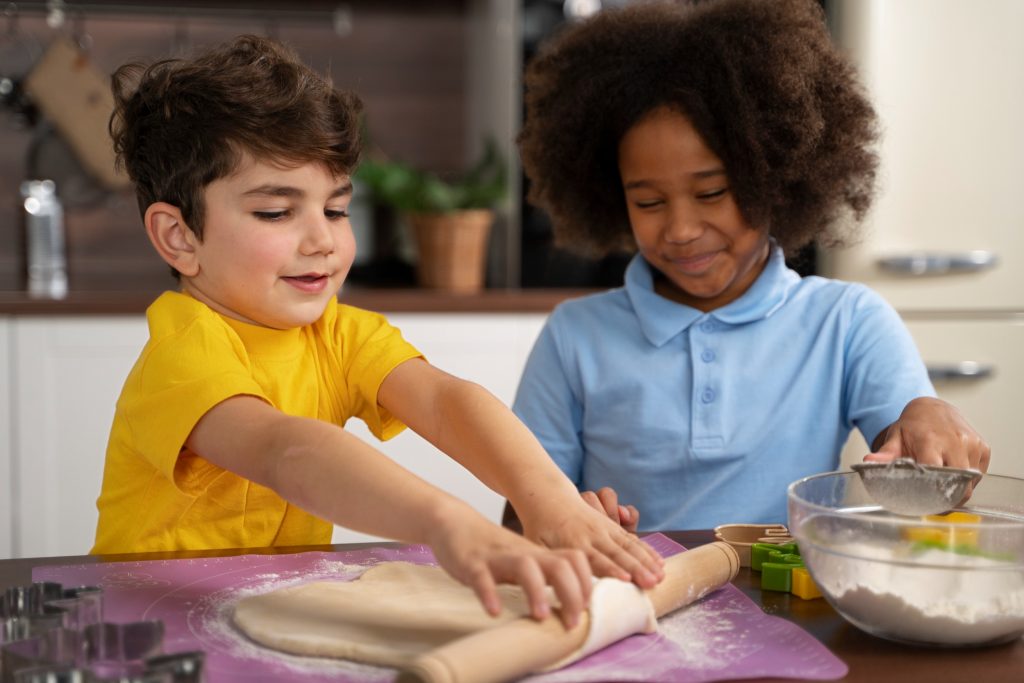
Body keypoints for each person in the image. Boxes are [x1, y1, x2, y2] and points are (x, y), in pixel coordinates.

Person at [91, 34, 664, 627]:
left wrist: (551, 504)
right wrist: (448, 522)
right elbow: (287, 451)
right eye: (276, 211)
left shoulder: (338, 334)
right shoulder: (183, 351)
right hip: (143, 625)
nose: (323, 240)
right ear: (179, 237)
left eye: (336, 209)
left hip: (263, 615)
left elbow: (445, 403)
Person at [509, 0, 990, 532]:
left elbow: (912, 460)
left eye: (712, 192)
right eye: (648, 202)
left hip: (789, 605)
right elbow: (519, 517)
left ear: (775, 178)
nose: (682, 229)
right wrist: (566, 523)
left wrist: (927, 417)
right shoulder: (574, 337)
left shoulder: (846, 321)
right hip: (633, 597)